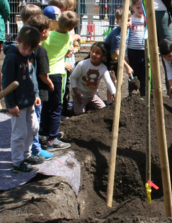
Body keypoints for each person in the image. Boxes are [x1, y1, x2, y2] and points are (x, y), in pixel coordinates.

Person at [2, 26, 44, 173]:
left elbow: (33, 76)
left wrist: (36, 94)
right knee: (19, 133)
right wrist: (11, 104)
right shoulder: (12, 58)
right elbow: (7, 83)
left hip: (29, 100)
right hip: (18, 104)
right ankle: (18, 162)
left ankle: (27, 155)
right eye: (25, 48)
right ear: (18, 40)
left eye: (30, 50)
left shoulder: (31, 55)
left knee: (32, 129)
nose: (26, 52)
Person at [40, 11, 78, 151]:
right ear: (70, 28)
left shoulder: (47, 36)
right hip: (57, 75)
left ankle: (43, 132)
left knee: (45, 104)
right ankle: (53, 139)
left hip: (44, 74)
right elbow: (70, 47)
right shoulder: (68, 37)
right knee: (56, 108)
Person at [24, 14, 54, 161]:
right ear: (43, 32)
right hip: (38, 92)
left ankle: (31, 147)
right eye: (49, 30)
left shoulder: (27, 46)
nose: (49, 33)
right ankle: (35, 149)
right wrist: (50, 83)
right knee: (35, 121)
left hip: (28, 89)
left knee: (30, 121)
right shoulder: (40, 50)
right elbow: (42, 73)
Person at [71, 42, 116, 115]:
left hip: (92, 95)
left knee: (103, 110)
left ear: (103, 57)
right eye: (92, 51)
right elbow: (73, 78)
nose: (94, 54)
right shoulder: (82, 64)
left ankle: (89, 105)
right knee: (80, 113)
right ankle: (77, 107)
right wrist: (76, 93)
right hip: (80, 95)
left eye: (97, 53)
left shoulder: (103, 68)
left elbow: (109, 82)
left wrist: (114, 94)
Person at [125, 0, 147, 94]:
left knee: (144, 75)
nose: (140, 9)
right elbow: (126, 38)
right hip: (133, 51)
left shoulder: (146, 20)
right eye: (138, 7)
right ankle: (132, 94)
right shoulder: (131, 20)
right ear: (132, 6)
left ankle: (144, 95)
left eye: (143, 7)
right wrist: (126, 55)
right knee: (133, 74)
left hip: (145, 51)